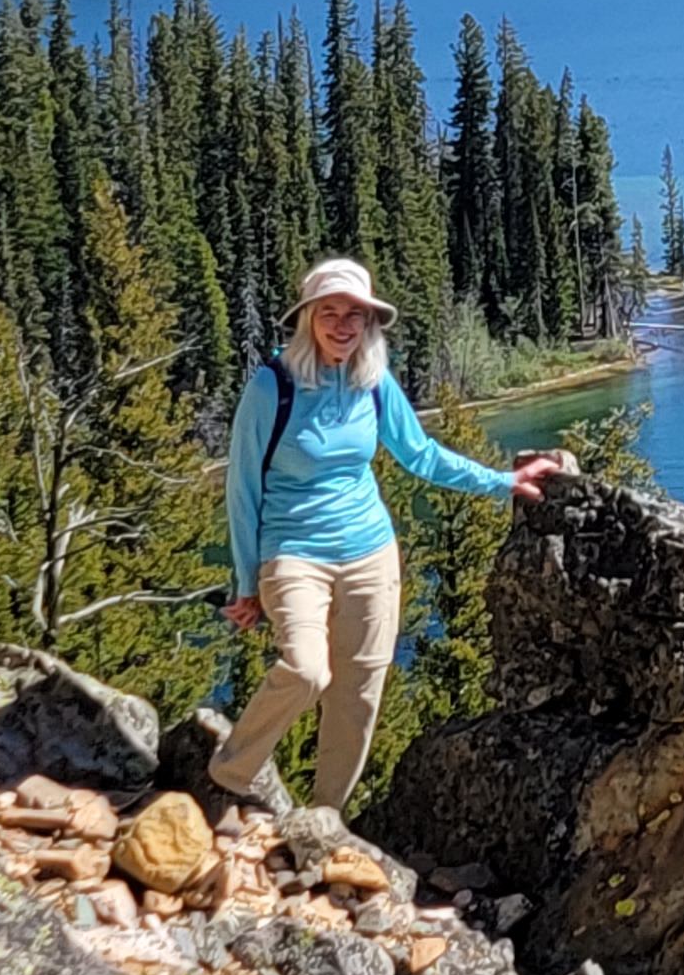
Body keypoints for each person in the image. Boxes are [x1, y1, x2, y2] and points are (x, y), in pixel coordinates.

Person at [209, 256, 560, 813]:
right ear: (308, 318)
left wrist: (503, 483)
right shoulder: (271, 387)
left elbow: (420, 455)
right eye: (331, 312)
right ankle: (228, 777)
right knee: (306, 670)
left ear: (370, 323)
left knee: (359, 694)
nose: (344, 325)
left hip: (370, 553)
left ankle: (324, 824)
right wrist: (245, 581)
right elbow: (242, 488)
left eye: (356, 314)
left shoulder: (372, 381)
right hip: (293, 551)